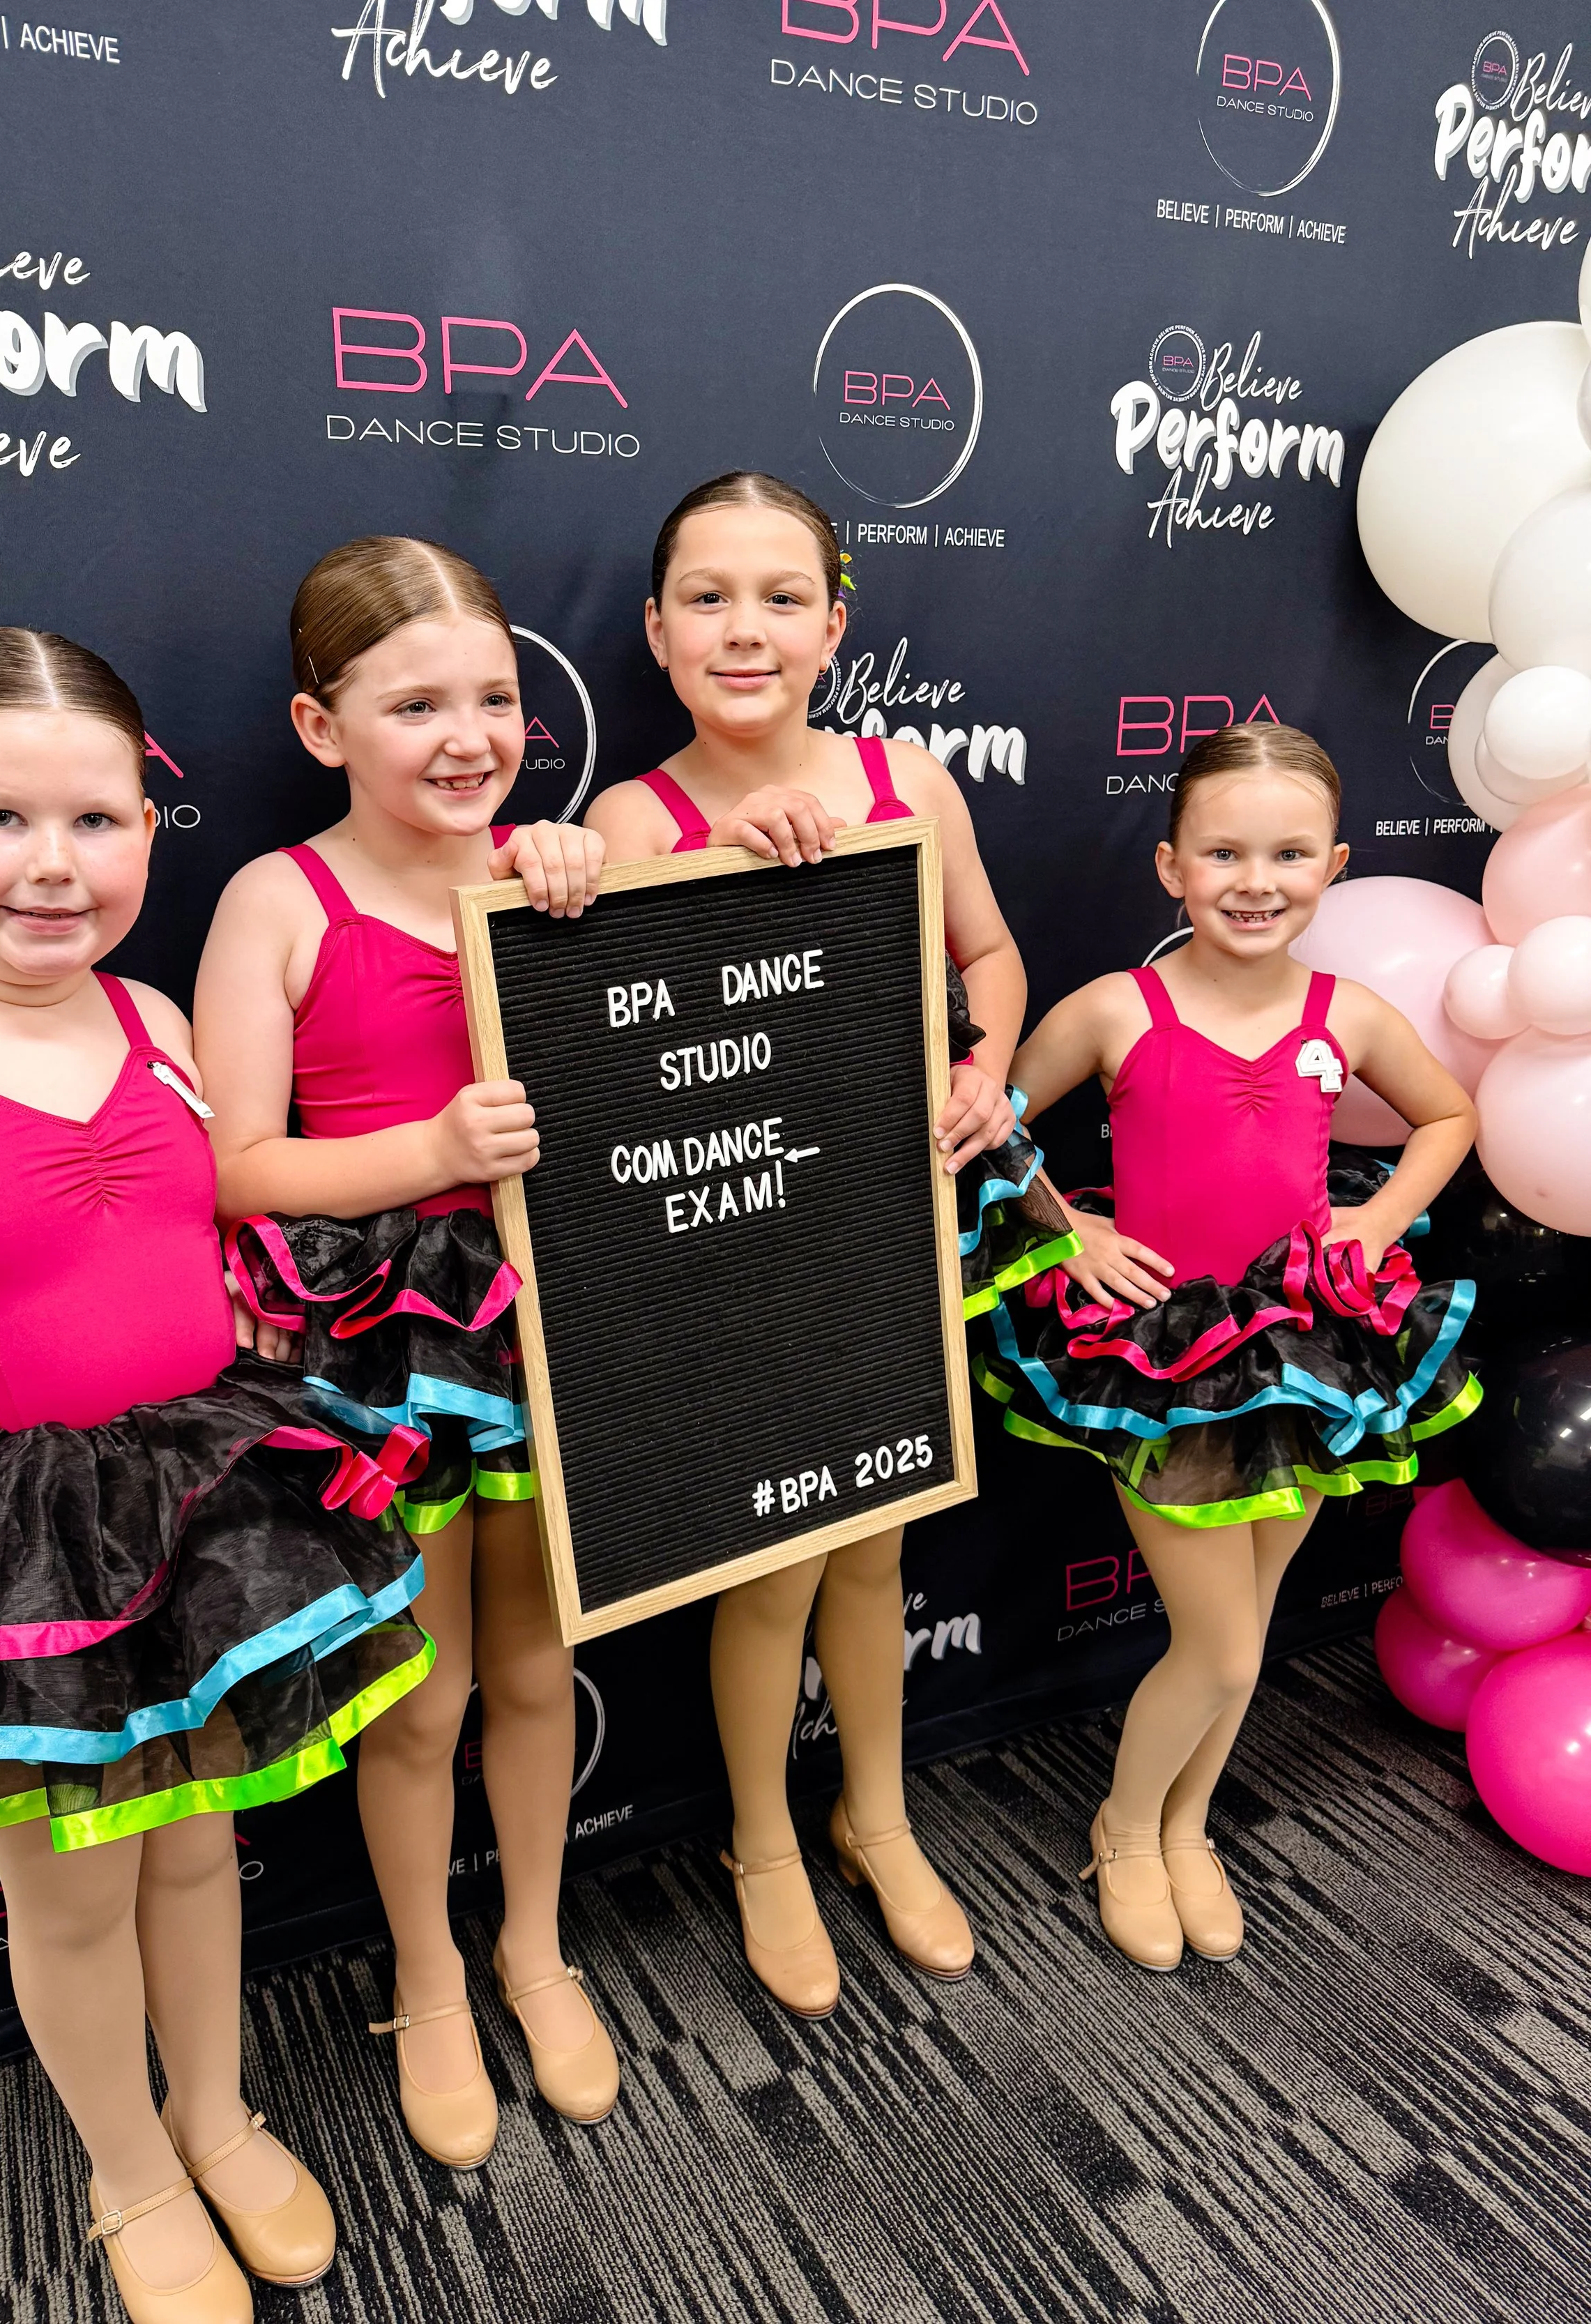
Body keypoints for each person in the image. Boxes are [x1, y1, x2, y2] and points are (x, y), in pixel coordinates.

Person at [0, 629, 433, 2322]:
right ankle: (125, 2166)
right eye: (2, 819)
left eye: (98, 822)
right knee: (77, 1886)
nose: (54, 865)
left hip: (195, 1493)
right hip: (1, 1551)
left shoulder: (160, 1012)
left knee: (195, 1845)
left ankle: (218, 2107)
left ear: (144, 832)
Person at [584, 471, 1071, 2018]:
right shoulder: (624, 820)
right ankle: (762, 1847)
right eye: (708, 598)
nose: (746, 629)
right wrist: (723, 866)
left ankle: (876, 1814)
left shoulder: (907, 781)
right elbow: (618, 1065)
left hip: (896, 1236)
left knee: (877, 1548)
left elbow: (985, 953)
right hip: (739, 1264)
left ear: (833, 624)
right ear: (657, 631)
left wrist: (979, 1067)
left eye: (781, 597)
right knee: (774, 1571)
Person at [196, 536, 616, 2170]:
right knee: (420, 1697)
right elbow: (236, 1163)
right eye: (413, 701)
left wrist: (591, 887)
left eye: (495, 698)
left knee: (530, 1669)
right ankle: (428, 1980)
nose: (467, 735)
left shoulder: (547, 871)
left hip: (558, 1320)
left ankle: (531, 1941)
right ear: (320, 726)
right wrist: (428, 1145)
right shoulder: (274, 900)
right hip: (387, 1352)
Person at [984, 722, 1479, 1971]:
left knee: (1251, 1616)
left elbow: (1451, 1111)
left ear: (1334, 865)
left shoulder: (1348, 1013)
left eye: (1290, 854)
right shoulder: (1113, 1009)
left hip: (1310, 1344)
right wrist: (1066, 1239)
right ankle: (1124, 1825)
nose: (1256, 880)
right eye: (1224, 852)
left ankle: (1190, 1824)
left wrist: (1372, 1217)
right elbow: (992, 1125)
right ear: (1171, 868)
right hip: (1164, 1357)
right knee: (1224, 1642)